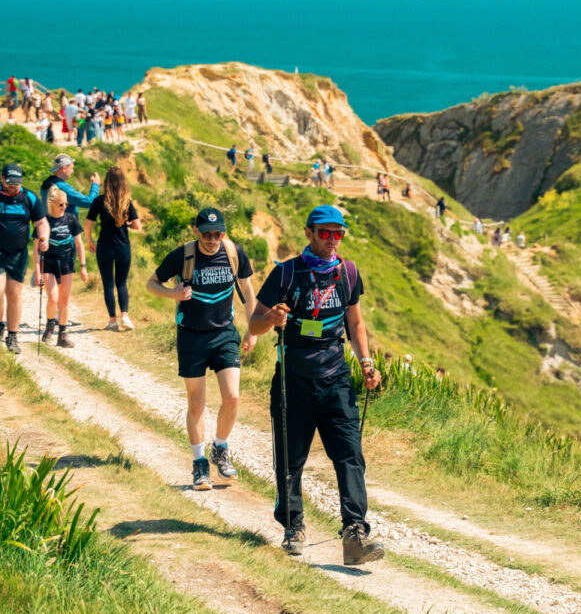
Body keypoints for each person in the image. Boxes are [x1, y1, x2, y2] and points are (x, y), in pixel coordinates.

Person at [248, 204, 385, 566]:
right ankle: (293, 528)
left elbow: (355, 324)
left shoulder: (349, 273)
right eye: (325, 233)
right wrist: (272, 318)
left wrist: (366, 362)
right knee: (291, 459)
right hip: (294, 376)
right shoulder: (286, 273)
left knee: (350, 456)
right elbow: (253, 323)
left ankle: (354, 534)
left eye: (338, 233)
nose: (332, 240)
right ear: (309, 233)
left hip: (336, 375)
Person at [147, 207, 257, 490]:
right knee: (197, 403)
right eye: (206, 234)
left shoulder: (233, 252)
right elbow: (152, 283)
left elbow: (246, 290)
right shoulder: (183, 255)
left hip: (224, 334)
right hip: (192, 337)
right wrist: (174, 294)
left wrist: (252, 329)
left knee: (232, 397)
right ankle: (199, 465)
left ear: (224, 232)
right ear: (196, 231)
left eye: (217, 233)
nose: (212, 239)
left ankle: (220, 448)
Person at [0, 163, 49, 353]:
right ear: (2, 179)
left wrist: (45, 238)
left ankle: (12, 337)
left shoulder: (29, 197)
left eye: (17, 182)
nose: (14, 186)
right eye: (11, 182)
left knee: (14, 294)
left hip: (18, 254)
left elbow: (42, 222)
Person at [85, 167, 141, 331]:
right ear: (123, 182)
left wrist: (90, 241)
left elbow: (88, 225)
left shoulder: (99, 201)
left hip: (105, 247)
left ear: (107, 182)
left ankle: (112, 321)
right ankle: (125, 316)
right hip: (123, 247)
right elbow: (137, 225)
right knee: (121, 283)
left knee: (108, 284)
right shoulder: (127, 202)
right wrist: (125, 222)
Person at [36, 186, 88, 348]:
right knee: (53, 298)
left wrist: (83, 266)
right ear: (52, 204)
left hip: (67, 263)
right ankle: (50, 324)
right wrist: (37, 271)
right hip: (49, 264)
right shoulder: (44, 221)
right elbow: (36, 250)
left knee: (64, 302)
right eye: (60, 204)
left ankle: (62, 335)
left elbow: (79, 244)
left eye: (65, 204)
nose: (64, 207)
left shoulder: (71, 219)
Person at [41, 153, 99, 220]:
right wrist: (95, 185)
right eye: (71, 168)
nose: (72, 171)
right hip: (64, 227)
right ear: (64, 169)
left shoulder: (47, 183)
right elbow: (89, 202)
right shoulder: (62, 187)